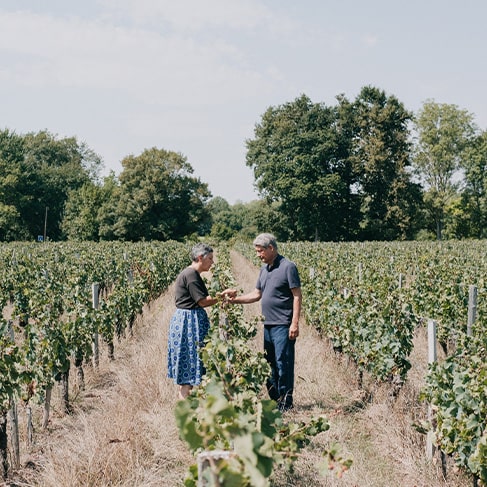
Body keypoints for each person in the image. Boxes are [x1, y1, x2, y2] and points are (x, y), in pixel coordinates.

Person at [228, 233, 301, 411]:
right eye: (257, 251)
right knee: (269, 363)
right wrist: (234, 300)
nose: (258, 255)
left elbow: (297, 295)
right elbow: (256, 294)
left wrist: (295, 323)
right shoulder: (264, 269)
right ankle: (275, 399)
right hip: (268, 325)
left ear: (271, 248)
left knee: (283, 362)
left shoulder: (288, 267)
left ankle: (286, 402)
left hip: (283, 324)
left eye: (260, 251)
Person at [167, 243, 232, 399]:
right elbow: (202, 301)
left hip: (189, 321)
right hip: (188, 324)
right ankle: (186, 410)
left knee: (190, 364)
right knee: (189, 366)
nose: (212, 262)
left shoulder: (191, 274)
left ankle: (189, 408)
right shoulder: (190, 275)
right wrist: (223, 295)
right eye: (210, 258)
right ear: (200, 258)